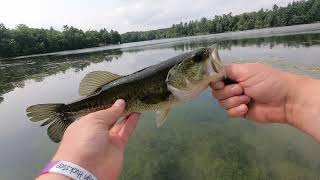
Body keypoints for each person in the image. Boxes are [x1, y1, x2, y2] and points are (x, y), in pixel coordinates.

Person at [38, 63, 320, 180]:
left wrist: (71, 170)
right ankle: (66, 112)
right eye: (197, 61)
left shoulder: (176, 90)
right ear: (176, 76)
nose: (205, 61)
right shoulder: (170, 88)